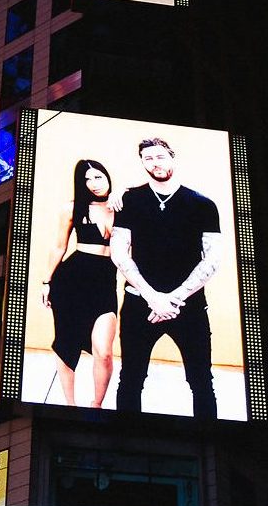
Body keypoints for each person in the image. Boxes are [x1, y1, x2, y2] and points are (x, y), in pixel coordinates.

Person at [110, 138, 223, 418]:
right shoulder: (130, 200)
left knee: (201, 382)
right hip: (139, 304)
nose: (155, 163)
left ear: (172, 158)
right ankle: (126, 444)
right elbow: (119, 253)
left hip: (189, 306)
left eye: (160, 156)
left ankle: (209, 446)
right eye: (148, 158)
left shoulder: (203, 205)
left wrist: (173, 299)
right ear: (142, 163)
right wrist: (152, 297)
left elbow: (213, 259)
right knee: (131, 380)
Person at [42, 158, 119, 407]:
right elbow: (59, 247)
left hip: (105, 281)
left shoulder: (122, 205)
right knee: (66, 344)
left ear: (107, 176)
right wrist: (46, 283)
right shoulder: (72, 208)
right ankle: (70, 406)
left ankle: (96, 405)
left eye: (98, 176)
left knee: (104, 351)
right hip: (72, 280)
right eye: (87, 179)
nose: (94, 183)